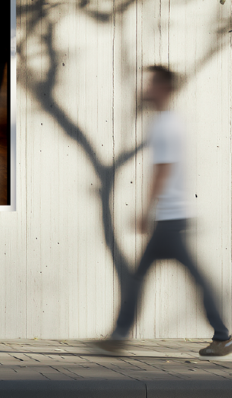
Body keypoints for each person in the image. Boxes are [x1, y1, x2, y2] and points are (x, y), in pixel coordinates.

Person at [93, 65, 232, 357]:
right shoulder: (166, 122)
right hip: (171, 218)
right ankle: (120, 335)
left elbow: (163, 170)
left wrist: (146, 211)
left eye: (152, 83)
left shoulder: (165, 124)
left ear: (165, 89)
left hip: (169, 218)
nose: (146, 88)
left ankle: (222, 336)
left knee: (151, 277)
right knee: (151, 276)